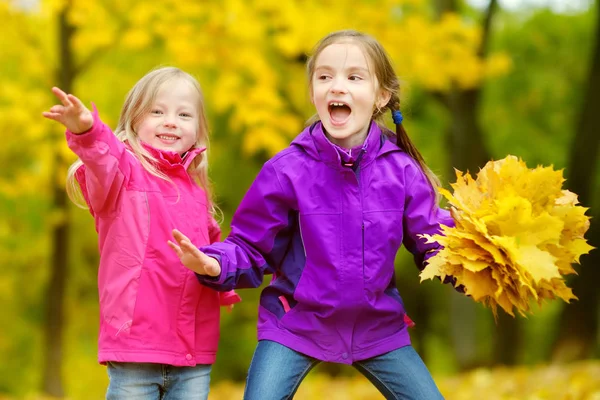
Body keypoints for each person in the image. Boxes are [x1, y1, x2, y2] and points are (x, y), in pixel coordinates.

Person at [169, 30, 454, 399]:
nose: (337, 86)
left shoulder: (400, 171)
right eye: (325, 76)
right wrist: (213, 264)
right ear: (313, 92)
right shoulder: (286, 170)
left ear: (381, 96)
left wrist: (479, 260)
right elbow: (250, 246)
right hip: (296, 323)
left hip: (376, 327)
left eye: (354, 77)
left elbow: (434, 240)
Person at [42, 66, 240, 400]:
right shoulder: (123, 176)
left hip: (193, 351)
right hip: (135, 347)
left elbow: (212, 248)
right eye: (158, 111)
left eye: (184, 114)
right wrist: (88, 130)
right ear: (134, 120)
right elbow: (105, 156)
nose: (171, 121)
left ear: (198, 130)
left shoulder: (196, 191)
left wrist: (222, 286)